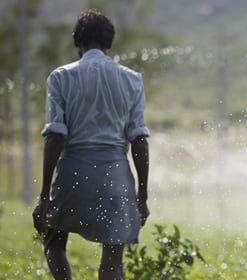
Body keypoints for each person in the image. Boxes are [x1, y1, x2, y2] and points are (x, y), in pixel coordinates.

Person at [32, 10, 150, 280]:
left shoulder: (61, 77)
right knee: (112, 262)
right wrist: (141, 197)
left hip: (73, 174)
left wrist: (43, 198)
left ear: (77, 42)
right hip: (116, 177)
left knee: (53, 241)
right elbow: (139, 141)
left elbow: (55, 137)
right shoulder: (132, 80)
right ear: (109, 43)